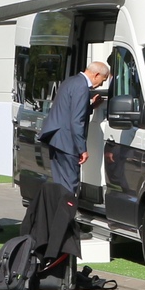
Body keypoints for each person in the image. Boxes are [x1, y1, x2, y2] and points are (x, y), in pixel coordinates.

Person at [37, 61, 110, 196]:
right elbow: (77, 121)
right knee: (70, 184)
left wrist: (91, 107)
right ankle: (66, 215)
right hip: (67, 142)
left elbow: (68, 110)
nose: (101, 84)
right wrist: (82, 149)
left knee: (59, 183)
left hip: (56, 139)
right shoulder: (82, 87)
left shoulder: (70, 81)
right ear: (97, 75)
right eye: (103, 80)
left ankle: (57, 215)